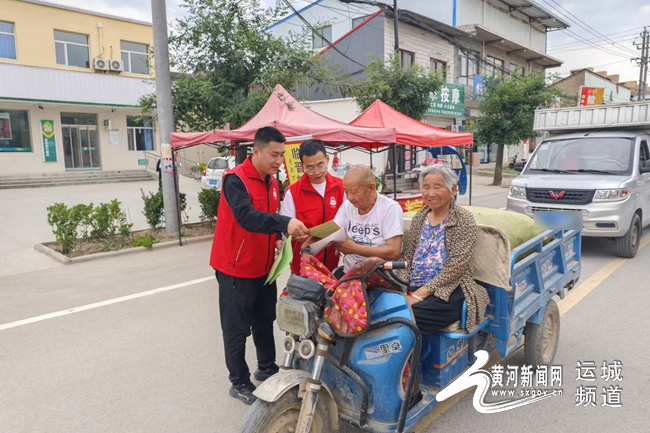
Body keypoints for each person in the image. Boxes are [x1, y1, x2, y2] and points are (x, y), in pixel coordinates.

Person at [210, 126, 309, 405]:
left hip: (265, 267)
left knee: (264, 321)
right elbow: (247, 217)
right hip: (235, 268)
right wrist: (283, 224)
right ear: (256, 151)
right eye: (274, 155)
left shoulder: (272, 182)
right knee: (236, 328)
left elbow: (269, 215)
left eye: (282, 155)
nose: (279, 161)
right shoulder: (235, 180)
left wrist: (278, 237)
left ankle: (267, 368)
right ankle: (239, 381)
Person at [398, 164, 490, 334]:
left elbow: (457, 266)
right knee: (383, 307)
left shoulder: (463, 219)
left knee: (405, 317)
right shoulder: (420, 217)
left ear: (452, 189)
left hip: (447, 290)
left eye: (437, 187)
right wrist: (403, 289)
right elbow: (407, 258)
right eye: (426, 187)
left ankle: (413, 360)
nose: (430, 193)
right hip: (413, 286)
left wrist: (419, 295)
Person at [280, 139, 345, 274]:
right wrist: (294, 234)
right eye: (310, 167)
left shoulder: (341, 187)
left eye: (320, 165)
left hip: (331, 267)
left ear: (327, 159)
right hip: (303, 268)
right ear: (302, 165)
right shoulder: (293, 192)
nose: (316, 171)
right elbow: (285, 227)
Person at [332, 165, 403, 274]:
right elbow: (333, 229)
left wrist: (356, 249)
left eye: (354, 192)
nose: (350, 197)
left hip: (381, 276)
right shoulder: (347, 206)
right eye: (346, 192)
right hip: (350, 274)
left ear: (371, 188)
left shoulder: (389, 208)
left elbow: (394, 251)